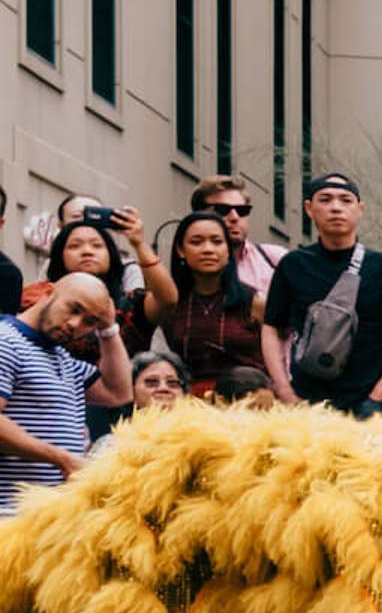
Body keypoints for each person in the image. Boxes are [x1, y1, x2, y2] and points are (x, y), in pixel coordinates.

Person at [259, 174, 382, 418]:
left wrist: (380, 393)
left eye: (346, 200)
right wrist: (285, 391)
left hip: (367, 406)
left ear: (360, 209)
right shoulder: (293, 265)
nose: (336, 207)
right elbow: (271, 326)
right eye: (325, 199)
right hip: (304, 404)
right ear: (309, 209)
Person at [0, 276, 130, 514]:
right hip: (9, 514)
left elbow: (118, 392)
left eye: (89, 322)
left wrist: (108, 328)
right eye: (74, 309)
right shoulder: (5, 340)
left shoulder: (63, 358)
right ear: (48, 292)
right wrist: (62, 459)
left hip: (49, 516)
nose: (75, 324)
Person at [30, 211, 174, 359]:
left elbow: (167, 300)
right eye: (75, 246)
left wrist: (139, 244)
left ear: (111, 255)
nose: (87, 251)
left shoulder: (130, 307)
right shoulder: (39, 298)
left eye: (97, 245)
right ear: (60, 256)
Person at [155, 209, 267, 394]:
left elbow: (277, 359)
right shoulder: (172, 304)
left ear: (228, 250)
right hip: (192, 409)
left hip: (249, 405)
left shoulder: (256, 302)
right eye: (196, 242)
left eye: (217, 242)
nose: (208, 249)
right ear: (180, 250)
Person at [191, 174, 288, 297]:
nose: (234, 217)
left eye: (242, 211)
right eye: (223, 210)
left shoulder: (276, 259)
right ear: (199, 214)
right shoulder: (186, 266)